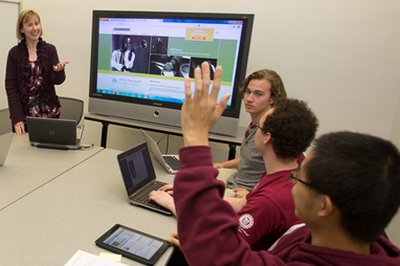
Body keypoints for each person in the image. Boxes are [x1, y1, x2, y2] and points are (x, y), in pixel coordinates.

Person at [172, 62, 400, 265]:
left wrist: (195, 136)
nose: (291, 181)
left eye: (299, 176)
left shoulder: (276, 200)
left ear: (324, 207)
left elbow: (219, 254)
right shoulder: (332, 240)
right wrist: (246, 199)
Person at [215, 68, 288, 197]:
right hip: (235, 180)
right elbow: (250, 159)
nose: (249, 99)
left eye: (258, 94)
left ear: (272, 99)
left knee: (193, 197)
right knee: (193, 177)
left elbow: (280, 176)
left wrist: (252, 194)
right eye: (248, 92)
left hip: (245, 192)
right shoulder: (255, 122)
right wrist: (223, 164)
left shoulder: (272, 131)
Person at [5, 9, 69, 135]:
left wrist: (58, 71)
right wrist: (17, 119)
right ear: (22, 29)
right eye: (30, 25)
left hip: (49, 114)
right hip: (24, 117)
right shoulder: (14, 53)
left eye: (37, 23)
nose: (35, 28)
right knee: (23, 152)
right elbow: (11, 87)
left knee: (49, 153)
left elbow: (58, 80)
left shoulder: (50, 49)